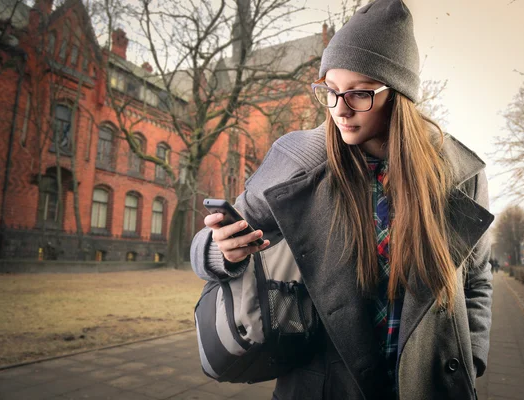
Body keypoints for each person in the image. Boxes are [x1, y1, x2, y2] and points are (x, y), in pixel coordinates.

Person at [190, 1, 494, 399]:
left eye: (359, 95)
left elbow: (477, 278)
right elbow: (205, 250)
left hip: (430, 384)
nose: (339, 109)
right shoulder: (298, 162)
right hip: (324, 384)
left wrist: (470, 359)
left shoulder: (457, 175)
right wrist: (220, 250)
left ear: (398, 94)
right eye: (330, 92)